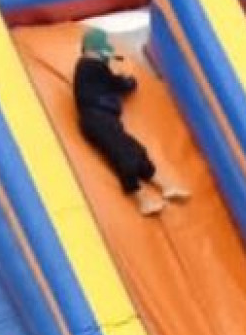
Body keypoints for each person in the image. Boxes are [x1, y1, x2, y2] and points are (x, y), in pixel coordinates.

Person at [73, 28, 185, 214]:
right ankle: (142, 199)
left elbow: (114, 84)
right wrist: (125, 78)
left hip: (105, 118)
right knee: (122, 154)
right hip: (96, 118)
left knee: (136, 151)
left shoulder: (94, 69)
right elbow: (120, 84)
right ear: (92, 50)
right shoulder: (89, 66)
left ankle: (165, 185)